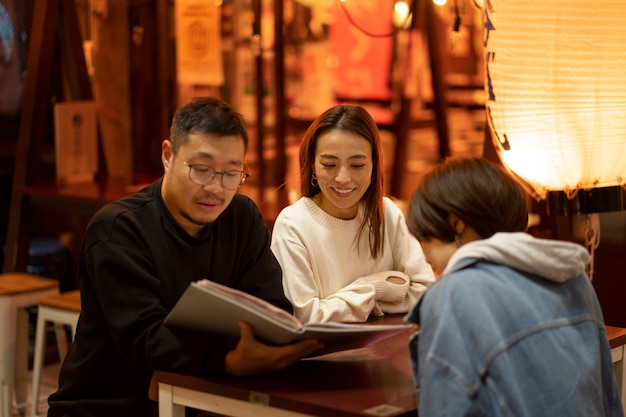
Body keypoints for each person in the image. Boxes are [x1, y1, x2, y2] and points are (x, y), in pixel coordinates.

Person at [47, 97, 323, 417]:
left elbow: (272, 308)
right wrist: (226, 360)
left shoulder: (242, 218)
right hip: (109, 406)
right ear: (168, 156)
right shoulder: (118, 231)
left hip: (203, 400)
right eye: (202, 170)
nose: (216, 188)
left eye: (231, 173)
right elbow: (147, 341)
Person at [405, 156, 624, 417]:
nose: (423, 252)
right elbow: (608, 397)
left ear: (456, 223)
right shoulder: (572, 275)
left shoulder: (454, 292)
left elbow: (447, 407)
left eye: (423, 234)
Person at [270, 104, 435, 323]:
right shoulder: (294, 224)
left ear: (374, 166)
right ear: (312, 165)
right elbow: (306, 316)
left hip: (386, 350)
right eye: (329, 164)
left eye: (357, 165)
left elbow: (426, 294)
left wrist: (350, 302)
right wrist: (376, 288)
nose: (343, 178)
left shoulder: (387, 214)